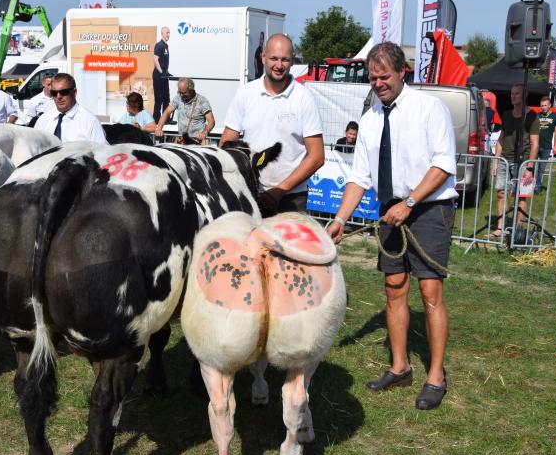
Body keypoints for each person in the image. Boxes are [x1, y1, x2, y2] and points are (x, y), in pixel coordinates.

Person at [324, 42, 457, 411]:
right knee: (394, 288)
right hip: (390, 210)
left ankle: (435, 375)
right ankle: (400, 367)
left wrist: (410, 202)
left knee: (430, 294)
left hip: (429, 208)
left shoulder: (429, 108)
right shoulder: (368, 119)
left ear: (402, 73)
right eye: (373, 77)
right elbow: (359, 178)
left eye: (384, 77)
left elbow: (444, 164)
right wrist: (339, 219)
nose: (378, 83)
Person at [219, 33, 324, 216]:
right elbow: (226, 144)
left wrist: (279, 190)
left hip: (292, 198)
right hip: (250, 193)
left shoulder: (304, 98)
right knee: (251, 245)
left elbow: (317, 156)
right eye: (274, 58)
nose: (279, 65)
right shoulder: (246, 93)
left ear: (292, 61)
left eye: (285, 59)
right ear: (263, 57)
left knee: (289, 246)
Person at [491, 83, 539, 237]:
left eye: (516, 94)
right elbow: (501, 139)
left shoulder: (532, 116)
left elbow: (535, 143)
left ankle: (518, 230)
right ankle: (500, 227)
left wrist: (529, 168)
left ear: (524, 95)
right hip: (505, 159)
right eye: (512, 93)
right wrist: (496, 161)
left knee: (521, 196)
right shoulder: (506, 114)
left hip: (523, 162)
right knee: (501, 193)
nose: (513, 96)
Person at [34, 73, 107, 144]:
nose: (58, 96)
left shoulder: (89, 121)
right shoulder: (43, 120)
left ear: (74, 92)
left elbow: (102, 153)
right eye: (54, 93)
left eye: (64, 92)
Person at [155, 77, 214, 144]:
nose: (181, 95)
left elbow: (211, 121)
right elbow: (167, 112)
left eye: (184, 93)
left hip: (198, 142)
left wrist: (205, 132)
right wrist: (159, 128)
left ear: (191, 90)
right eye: (179, 92)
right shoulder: (178, 98)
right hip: (182, 141)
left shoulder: (202, 101)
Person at [535, 96, 556, 192]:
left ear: (550, 105)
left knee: (541, 168)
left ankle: (538, 187)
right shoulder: (537, 115)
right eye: (542, 105)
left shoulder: (555, 116)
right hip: (535, 145)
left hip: (546, 146)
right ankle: (528, 186)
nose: (543, 107)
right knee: (531, 166)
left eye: (545, 105)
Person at [152, 26, 171, 122]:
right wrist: (161, 72)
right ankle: (156, 119)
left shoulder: (165, 46)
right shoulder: (159, 45)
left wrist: (166, 72)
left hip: (164, 76)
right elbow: (155, 60)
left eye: (169, 33)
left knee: (166, 98)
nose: (168, 34)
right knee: (159, 99)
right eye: (167, 33)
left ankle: (166, 119)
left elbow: (164, 61)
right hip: (159, 76)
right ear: (162, 33)